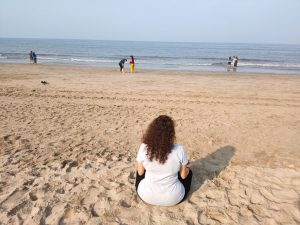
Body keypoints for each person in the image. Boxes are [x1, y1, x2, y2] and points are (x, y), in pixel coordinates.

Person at [135, 115, 193, 206]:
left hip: (146, 196)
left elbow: (140, 172)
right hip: (173, 198)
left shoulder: (144, 147)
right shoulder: (179, 149)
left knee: (140, 171)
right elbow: (183, 176)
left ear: (152, 132)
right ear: (171, 133)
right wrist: (188, 167)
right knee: (188, 172)